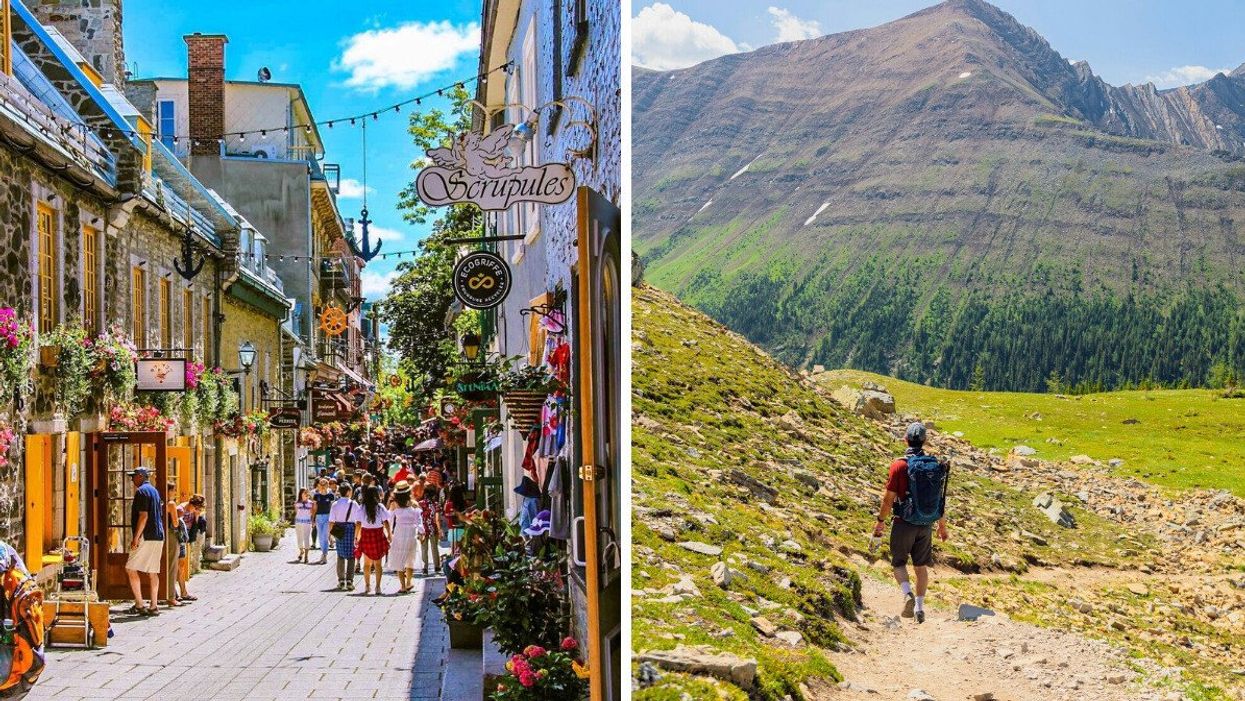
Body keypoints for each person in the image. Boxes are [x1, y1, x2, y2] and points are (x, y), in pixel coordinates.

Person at [872, 422, 950, 624]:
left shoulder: (899, 465)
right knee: (920, 567)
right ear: (924, 441)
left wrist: (880, 522)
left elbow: (888, 499)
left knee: (898, 562)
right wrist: (942, 526)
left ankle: (907, 594)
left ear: (905, 439)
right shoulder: (933, 465)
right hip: (926, 524)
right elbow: (939, 499)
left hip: (903, 522)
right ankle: (919, 608)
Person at [125, 467, 164, 616]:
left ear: (141, 476)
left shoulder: (141, 492)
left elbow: (144, 516)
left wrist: (136, 538)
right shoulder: (154, 491)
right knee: (153, 572)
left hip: (146, 536)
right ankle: (153, 606)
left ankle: (140, 604)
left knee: (130, 568)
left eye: (133, 476)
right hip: (158, 535)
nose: (132, 479)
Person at [354, 485, 391, 596]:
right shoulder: (380, 507)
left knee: (366, 563)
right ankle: (378, 587)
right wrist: (389, 534)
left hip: (366, 534)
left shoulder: (362, 507)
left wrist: (356, 536)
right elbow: (386, 522)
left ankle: (367, 585)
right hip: (378, 534)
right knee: (378, 564)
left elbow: (358, 523)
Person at [387, 482, 423, 594]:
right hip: (411, 533)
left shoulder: (394, 504)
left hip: (399, 532)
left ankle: (403, 586)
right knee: (410, 558)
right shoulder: (414, 504)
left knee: (399, 558)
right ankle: (408, 582)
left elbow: (389, 520)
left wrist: (388, 534)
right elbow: (419, 521)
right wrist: (421, 532)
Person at [176, 495, 207, 602]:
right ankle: (173, 593)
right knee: (174, 566)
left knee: (181, 566)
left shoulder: (194, 512)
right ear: (192, 504)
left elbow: (195, 527)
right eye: (197, 508)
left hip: (183, 541)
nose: (197, 510)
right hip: (176, 540)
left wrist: (197, 516)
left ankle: (183, 592)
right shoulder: (181, 509)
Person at [329, 483, 360, 591]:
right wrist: (357, 536)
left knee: (340, 555)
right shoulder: (354, 504)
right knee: (351, 555)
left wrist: (331, 535)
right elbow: (358, 521)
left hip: (339, 529)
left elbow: (331, 521)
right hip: (351, 529)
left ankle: (341, 580)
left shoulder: (335, 504)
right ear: (348, 492)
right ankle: (350, 581)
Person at [417, 486, 441, 575]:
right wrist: (440, 529)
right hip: (433, 528)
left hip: (422, 528)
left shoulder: (420, 504)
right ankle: (437, 566)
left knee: (424, 548)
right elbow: (437, 519)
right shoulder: (436, 504)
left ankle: (425, 567)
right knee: (434, 548)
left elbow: (417, 517)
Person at [312, 479, 335, 564]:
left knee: (325, 536)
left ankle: (325, 554)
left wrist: (333, 519)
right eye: (321, 484)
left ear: (327, 485)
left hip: (327, 517)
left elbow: (333, 507)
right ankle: (323, 552)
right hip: (318, 517)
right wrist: (313, 519)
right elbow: (314, 508)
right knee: (320, 537)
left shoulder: (330, 495)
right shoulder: (316, 495)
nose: (322, 486)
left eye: (324, 484)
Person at [444, 483, 467, 555]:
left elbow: (446, 514)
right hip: (462, 527)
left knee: (453, 550)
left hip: (452, 527)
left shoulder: (448, 504)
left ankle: (453, 564)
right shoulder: (463, 503)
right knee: (461, 550)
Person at [294, 488, 315, 563]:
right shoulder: (297, 503)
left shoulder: (311, 503)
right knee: (299, 539)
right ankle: (301, 551)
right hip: (299, 522)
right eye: (305, 492)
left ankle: (306, 556)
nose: (306, 494)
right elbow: (297, 513)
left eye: (307, 492)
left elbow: (312, 514)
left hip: (307, 523)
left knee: (306, 538)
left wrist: (312, 521)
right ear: (301, 494)